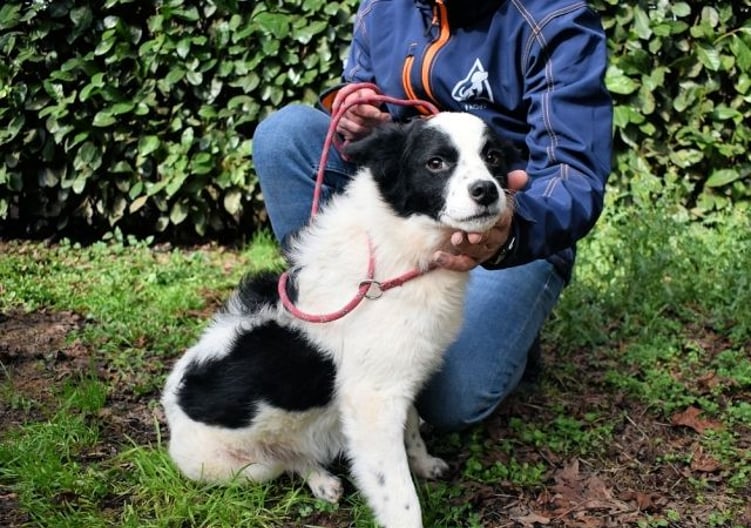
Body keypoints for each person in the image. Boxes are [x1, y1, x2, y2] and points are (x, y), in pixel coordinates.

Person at [251, 0, 613, 432]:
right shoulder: (380, 8)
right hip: (412, 210)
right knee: (284, 136)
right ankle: (326, 338)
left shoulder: (557, 19)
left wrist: (511, 231)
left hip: (509, 225)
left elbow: (572, 174)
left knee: (448, 399)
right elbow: (361, 106)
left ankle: (511, 329)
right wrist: (359, 116)